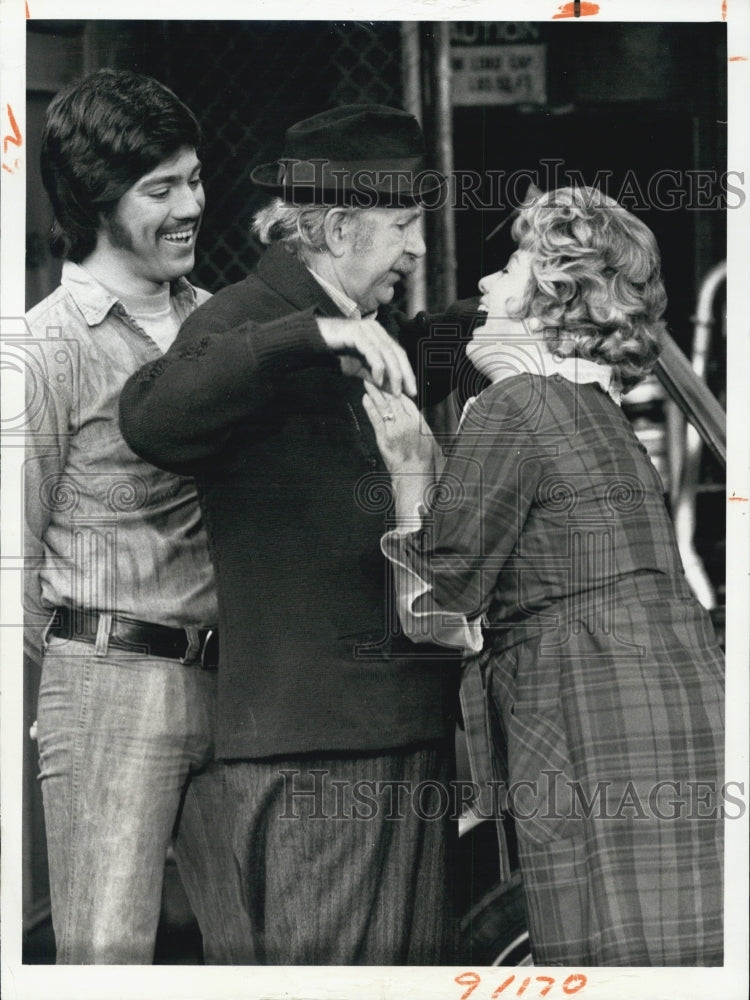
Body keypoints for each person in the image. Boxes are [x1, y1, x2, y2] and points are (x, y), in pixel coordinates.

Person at [119, 105, 468, 964]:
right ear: (339, 228)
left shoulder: (373, 329)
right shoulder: (253, 320)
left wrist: (524, 305)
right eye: (404, 225)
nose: (418, 248)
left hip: (394, 731)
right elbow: (152, 417)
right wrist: (311, 334)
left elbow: (427, 350)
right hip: (322, 751)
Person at [362, 186, 725, 966]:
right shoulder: (594, 411)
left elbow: (440, 596)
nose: (485, 285)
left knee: (604, 942)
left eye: (508, 269)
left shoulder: (518, 402)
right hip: (665, 701)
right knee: (676, 943)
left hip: (586, 709)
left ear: (550, 297)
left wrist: (411, 474)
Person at [24, 68, 233, 964]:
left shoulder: (222, 323)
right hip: (111, 679)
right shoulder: (42, 347)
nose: (191, 206)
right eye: (160, 189)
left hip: (237, 684)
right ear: (96, 201)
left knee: (256, 952)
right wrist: (87, 672)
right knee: (107, 959)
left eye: (194, 178)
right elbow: (10, 565)